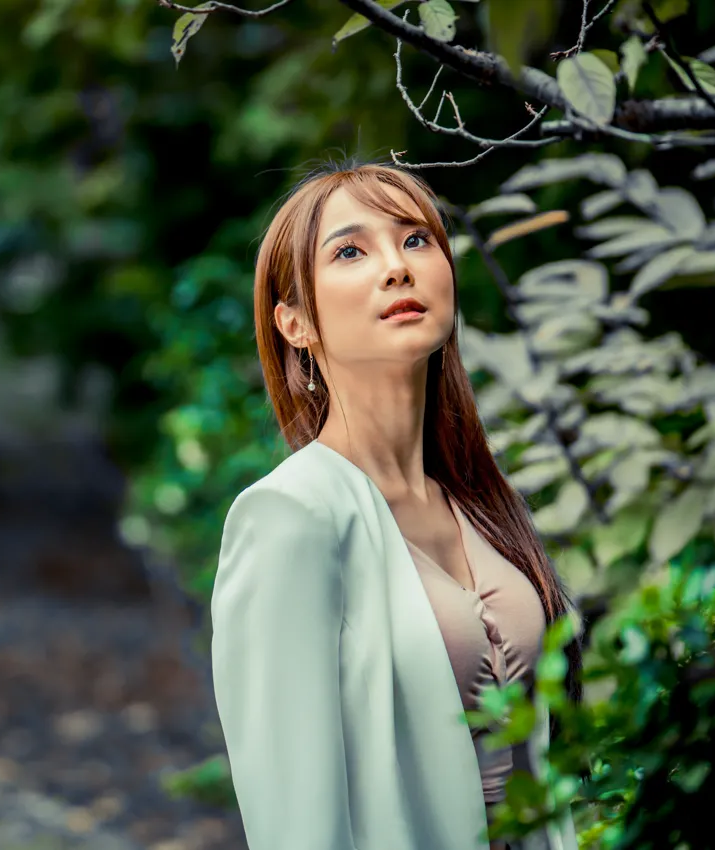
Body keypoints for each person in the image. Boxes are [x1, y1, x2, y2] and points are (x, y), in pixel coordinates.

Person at [209, 161, 583, 850]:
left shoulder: (483, 504)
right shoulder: (290, 518)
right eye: (350, 251)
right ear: (294, 323)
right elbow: (296, 822)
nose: (396, 268)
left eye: (415, 240)